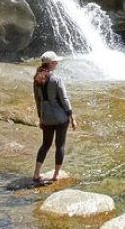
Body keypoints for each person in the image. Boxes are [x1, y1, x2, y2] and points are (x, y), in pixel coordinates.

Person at [32, 50, 77, 183]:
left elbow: (37, 100)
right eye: (55, 62)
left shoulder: (36, 79)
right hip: (60, 117)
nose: (57, 63)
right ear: (51, 64)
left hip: (46, 117)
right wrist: (71, 116)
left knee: (45, 145)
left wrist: (41, 117)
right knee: (60, 145)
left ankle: (36, 173)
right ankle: (56, 174)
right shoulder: (56, 79)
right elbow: (64, 99)